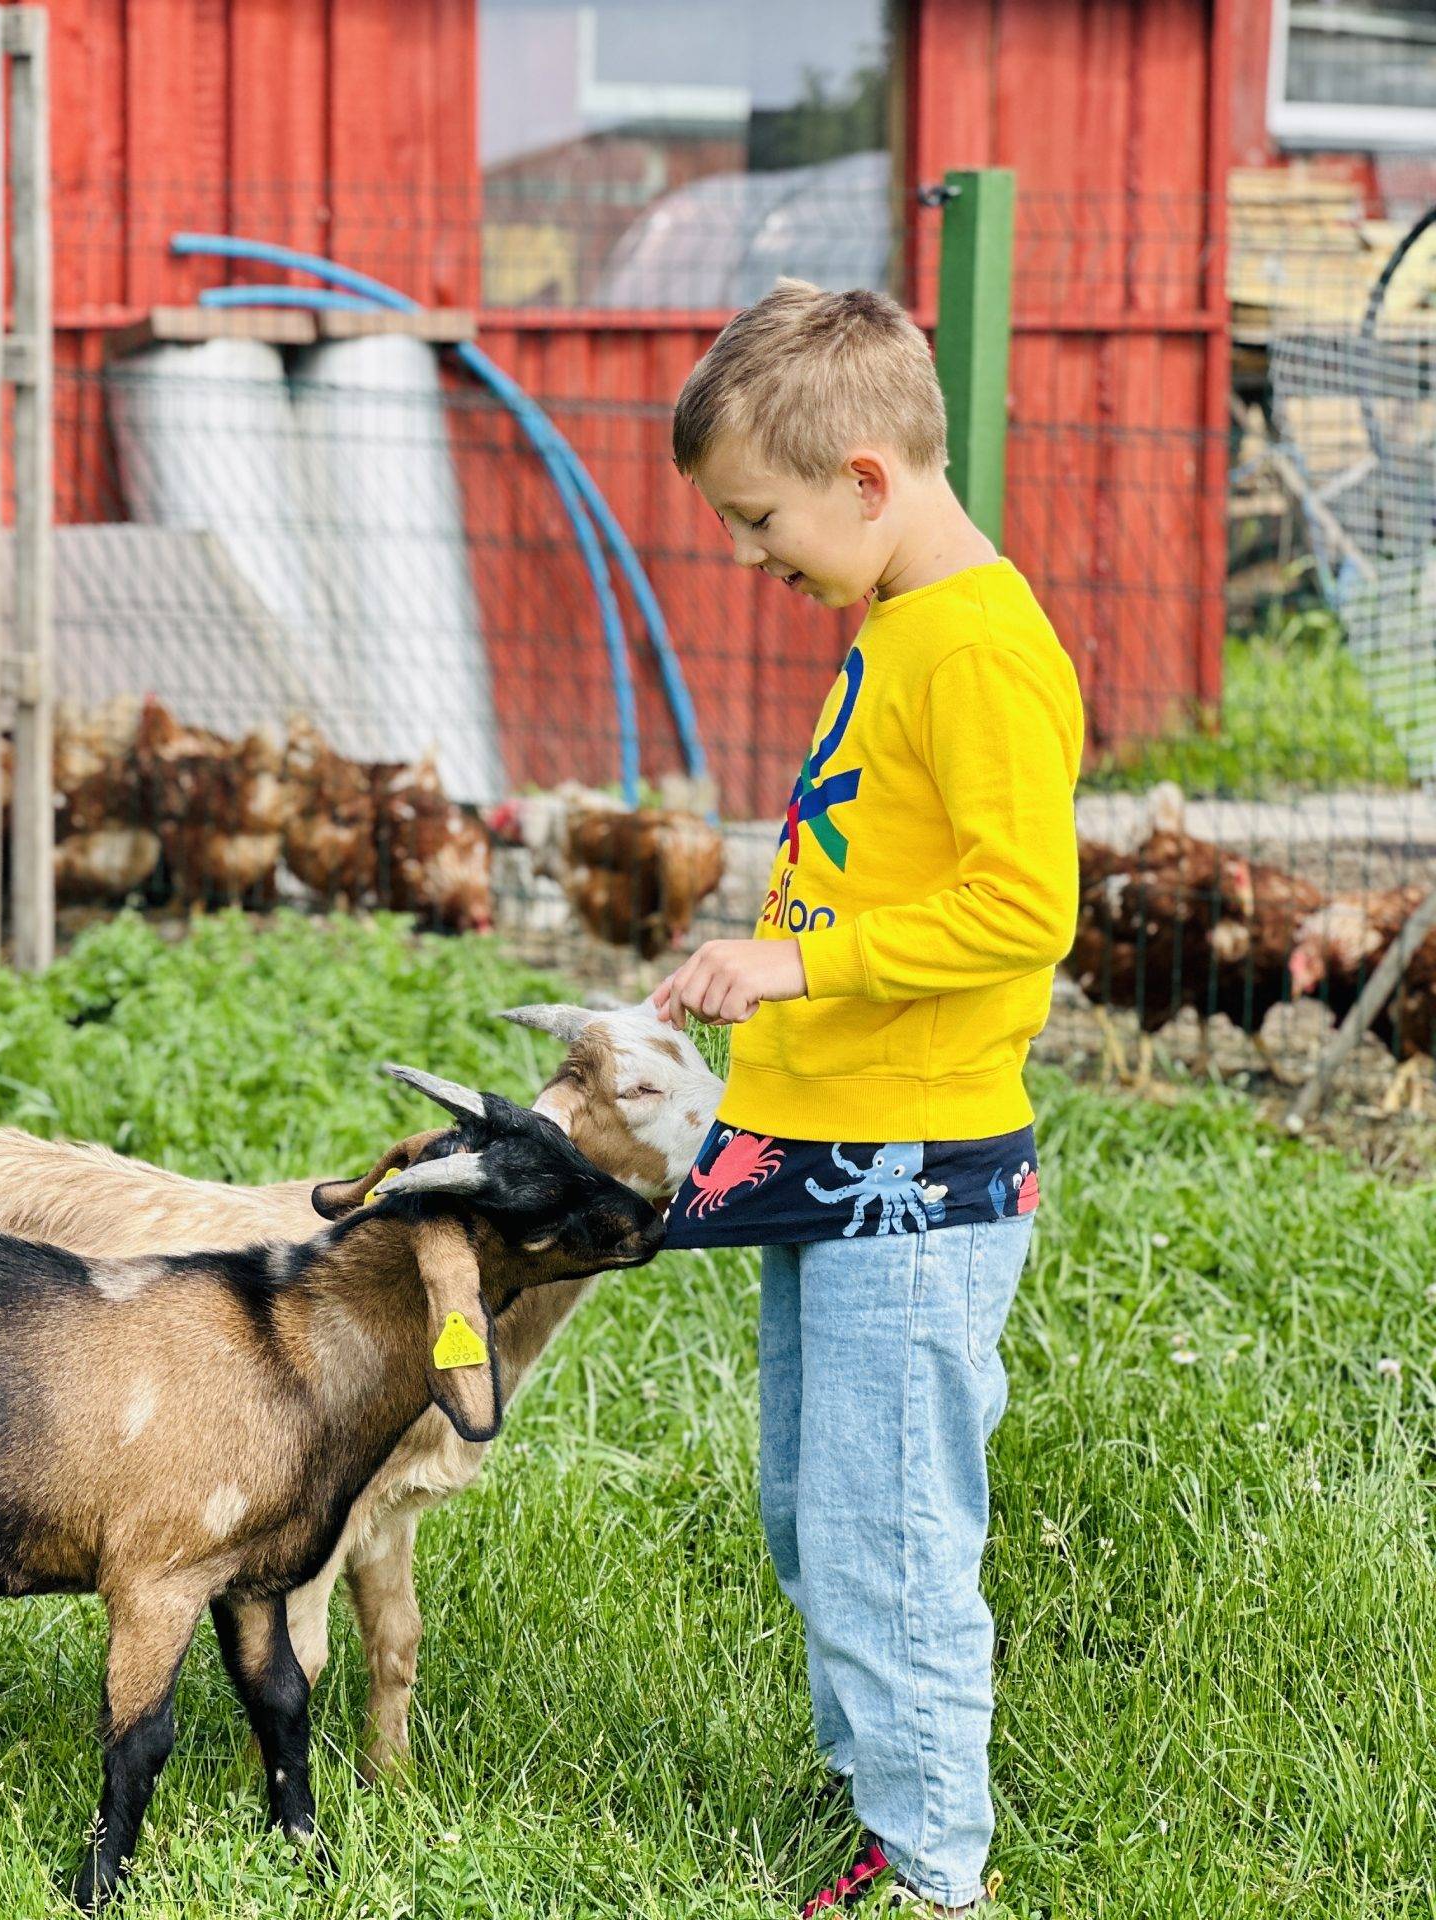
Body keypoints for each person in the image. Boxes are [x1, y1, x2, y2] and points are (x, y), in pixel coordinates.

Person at [652, 280, 1084, 1916]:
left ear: (864, 478)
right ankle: (878, 1794)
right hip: (829, 1143)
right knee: (812, 1512)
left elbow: (1022, 908)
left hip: (917, 1168)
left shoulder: (978, 648)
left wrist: (795, 967)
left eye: (761, 520)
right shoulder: (898, 626)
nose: (750, 554)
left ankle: (932, 1871)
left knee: (887, 1532)